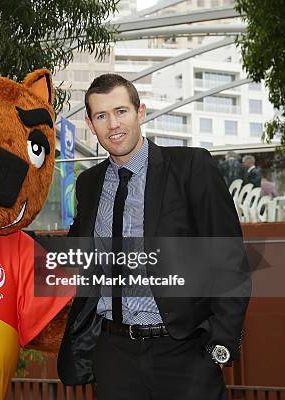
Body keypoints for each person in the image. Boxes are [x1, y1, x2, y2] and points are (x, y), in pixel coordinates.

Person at [57, 74, 250, 400]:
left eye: (121, 111)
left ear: (140, 112)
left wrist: (220, 346)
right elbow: (79, 256)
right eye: (101, 116)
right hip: (114, 356)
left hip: (184, 353)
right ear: (90, 124)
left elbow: (229, 260)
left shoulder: (191, 167)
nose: (113, 124)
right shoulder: (89, 184)